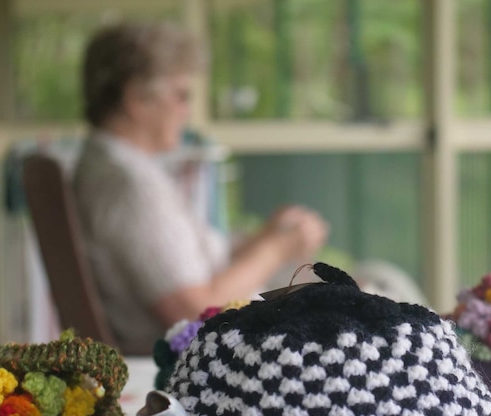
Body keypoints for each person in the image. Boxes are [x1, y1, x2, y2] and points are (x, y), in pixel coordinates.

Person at [73, 21, 328, 355]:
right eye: (181, 95)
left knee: (371, 285)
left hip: (237, 341)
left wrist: (269, 236)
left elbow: (197, 267)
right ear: (137, 98)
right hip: (219, 360)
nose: (187, 112)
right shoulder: (128, 187)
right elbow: (197, 312)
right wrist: (278, 248)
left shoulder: (112, 167)